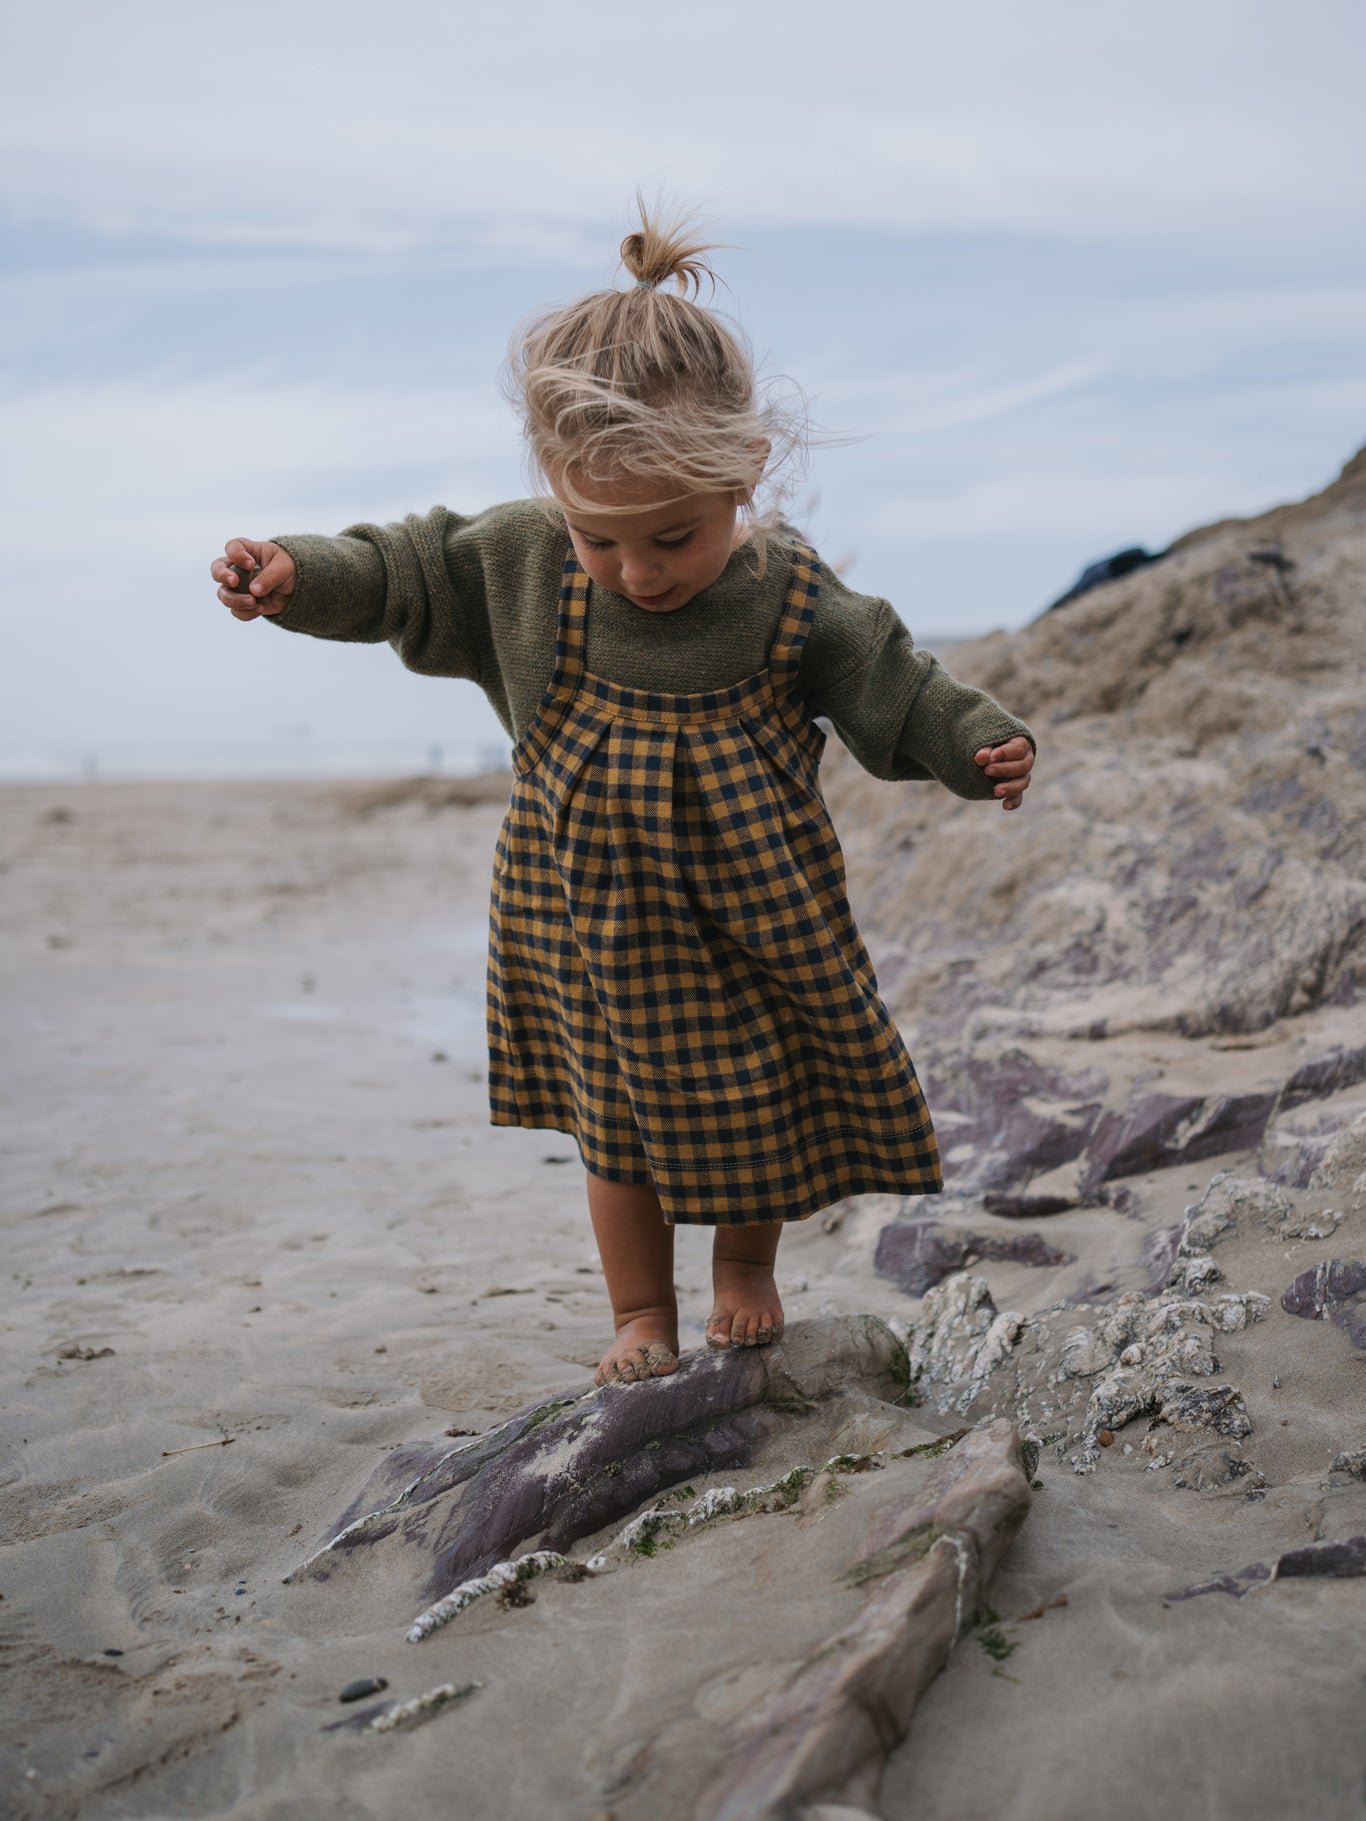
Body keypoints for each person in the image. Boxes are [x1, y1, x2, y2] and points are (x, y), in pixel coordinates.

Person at [209, 206, 1036, 1390]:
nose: (636, 571)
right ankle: (640, 1309)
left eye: (673, 537)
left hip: (755, 913)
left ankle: (744, 1271)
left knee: (756, 1099)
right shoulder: (523, 564)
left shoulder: (789, 593)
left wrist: (974, 742)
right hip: (584, 924)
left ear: (746, 471)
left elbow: (892, 686)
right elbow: (404, 571)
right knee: (616, 1126)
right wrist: (302, 576)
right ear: (555, 490)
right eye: (600, 540)